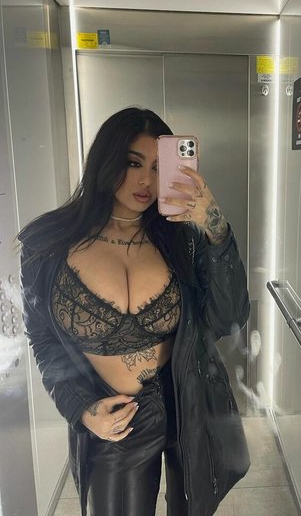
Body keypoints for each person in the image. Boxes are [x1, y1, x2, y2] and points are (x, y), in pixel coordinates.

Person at [18, 107, 251, 516]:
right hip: (116, 417)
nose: (146, 181)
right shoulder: (47, 244)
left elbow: (228, 316)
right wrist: (81, 408)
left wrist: (215, 228)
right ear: (106, 162)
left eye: (160, 167)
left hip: (186, 404)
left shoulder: (183, 239)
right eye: (133, 163)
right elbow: (43, 339)